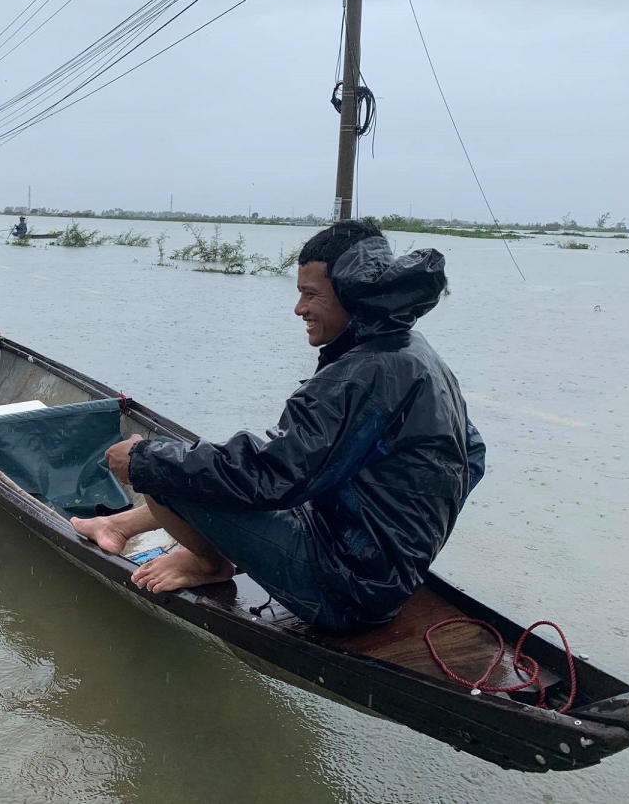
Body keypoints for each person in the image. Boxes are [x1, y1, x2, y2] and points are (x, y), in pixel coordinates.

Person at [72, 219, 485, 632]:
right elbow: (473, 457)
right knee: (203, 463)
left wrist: (146, 458)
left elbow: (274, 477)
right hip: (383, 568)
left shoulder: (362, 373)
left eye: (311, 295)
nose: (299, 309)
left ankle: (209, 563)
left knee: (160, 466)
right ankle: (117, 523)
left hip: (350, 592)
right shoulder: (411, 350)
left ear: (352, 296)